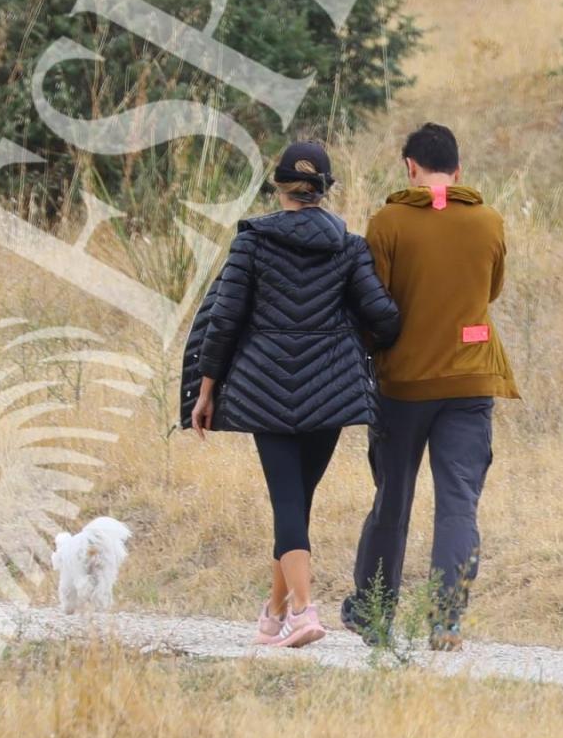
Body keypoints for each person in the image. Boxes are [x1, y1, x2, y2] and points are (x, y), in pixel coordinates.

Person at [181, 140, 400, 648]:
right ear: (326, 191)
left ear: (278, 187)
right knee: (296, 505)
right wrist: (352, 341)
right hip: (330, 392)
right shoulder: (349, 245)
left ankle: (303, 613)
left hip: (264, 390)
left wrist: (205, 389)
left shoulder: (253, 242)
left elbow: (224, 320)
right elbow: (383, 318)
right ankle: (272, 616)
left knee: (287, 503)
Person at [342, 122, 519, 652]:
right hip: (470, 380)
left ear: (410, 168)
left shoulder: (388, 222)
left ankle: (374, 616)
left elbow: (373, 303)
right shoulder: (489, 221)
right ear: (458, 170)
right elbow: (492, 289)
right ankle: (445, 621)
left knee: (392, 499)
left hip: (403, 384)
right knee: (458, 504)